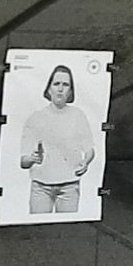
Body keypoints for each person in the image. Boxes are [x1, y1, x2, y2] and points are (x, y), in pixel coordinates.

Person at [20, 64, 95, 214]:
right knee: (39, 226)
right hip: (41, 187)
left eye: (65, 85)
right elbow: (23, 162)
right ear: (49, 89)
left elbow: (90, 150)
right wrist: (32, 159)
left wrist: (85, 162)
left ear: (70, 91)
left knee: (67, 227)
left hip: (69, 187)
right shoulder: (36, 118)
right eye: (56, 84)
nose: (60, 89)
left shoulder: (78, 116)